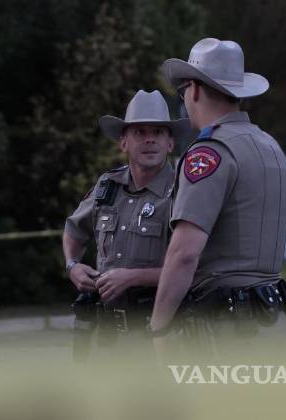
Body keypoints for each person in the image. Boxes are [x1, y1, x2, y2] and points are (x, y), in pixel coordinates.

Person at [149, 38, 286, 362]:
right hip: (271, 325)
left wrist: (159, 327)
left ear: (195, 90)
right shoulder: (270, 146)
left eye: (183, 90)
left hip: (225, 332)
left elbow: (184, 253)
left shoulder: (209, 153)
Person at [63, 90, 190, 361]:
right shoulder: (107, 186)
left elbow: (195, 268)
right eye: (139, 132)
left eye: (158, 132)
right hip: (105, 338)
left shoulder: (184, 192)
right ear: (123, 142)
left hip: (160, 336)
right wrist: (73, 266)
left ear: (170, 143)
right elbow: (73, 230)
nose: (149, 139)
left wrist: (132, 277)